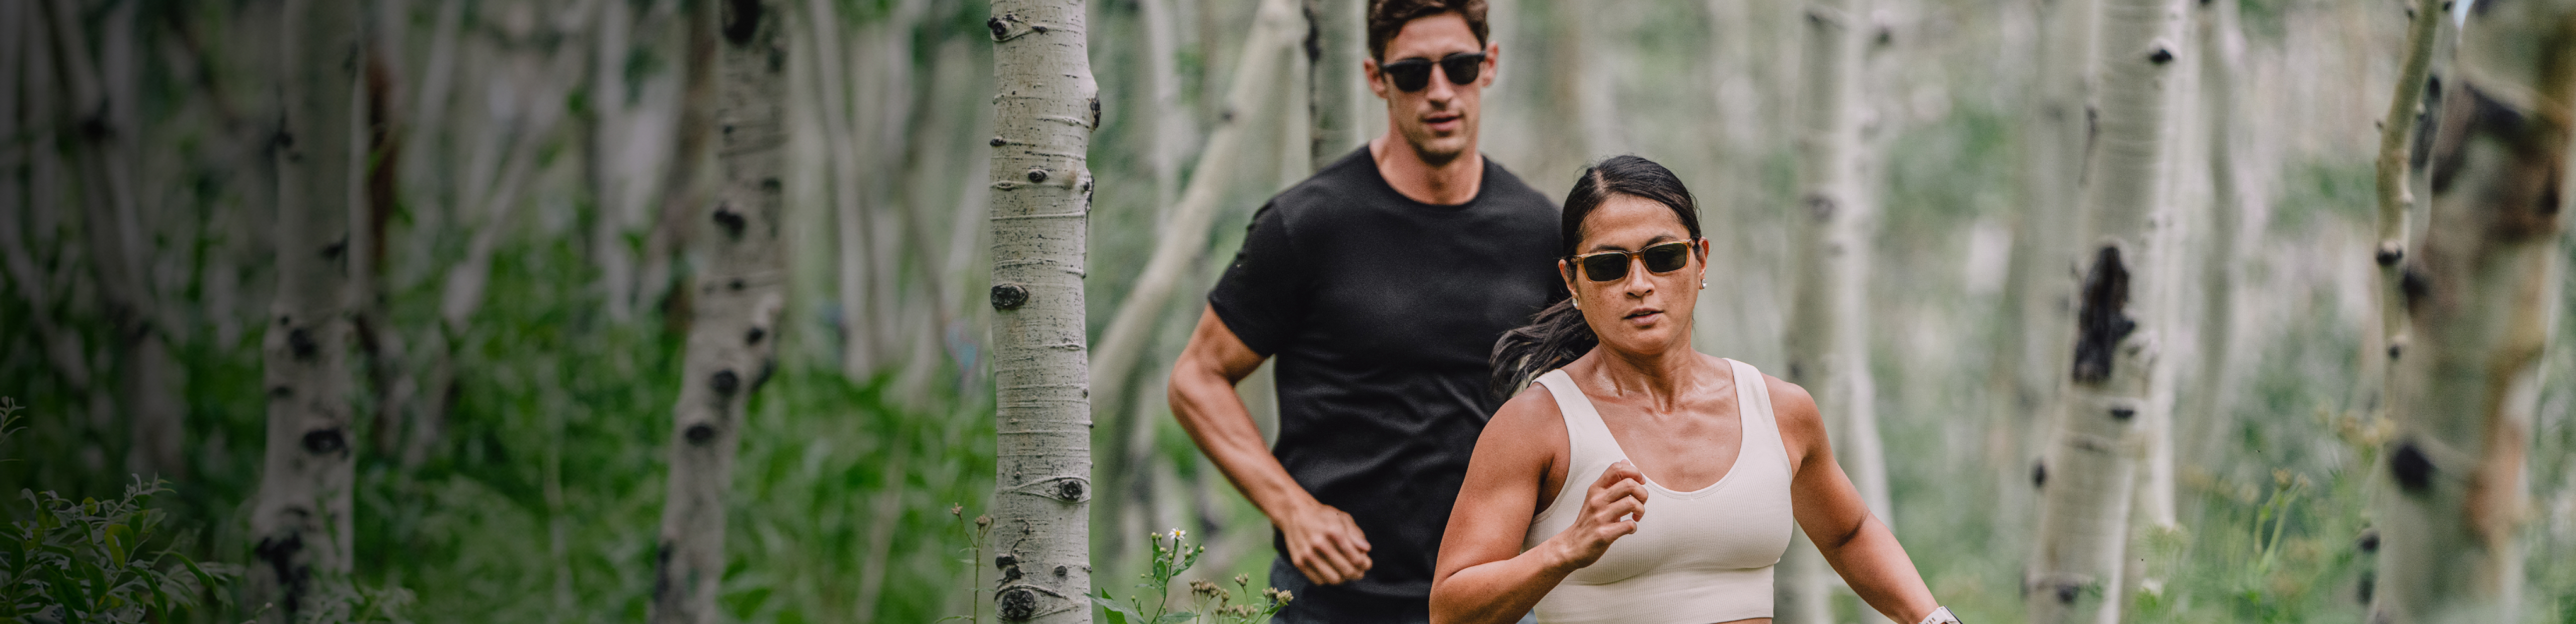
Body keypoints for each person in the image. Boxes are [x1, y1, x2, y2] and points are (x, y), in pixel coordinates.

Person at [1426, 156, 1962, 624]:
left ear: (1700, 258)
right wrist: (1565, 548)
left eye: (1662, 257)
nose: (1639, 284)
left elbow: (1849, 533)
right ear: (1572, 281)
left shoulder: (1778, 409)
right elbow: (1449, 610)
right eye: (1609, 267)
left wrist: (1932, 617)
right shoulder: (1537, 425)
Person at [1163, 0, 1560, 621]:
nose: (1438, 92)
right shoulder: (1308, 224)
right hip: (1334, 600)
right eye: (1411, 73)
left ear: (1489, 66)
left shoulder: (1538, 230)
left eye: (1458, 67)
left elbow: (1596, 389)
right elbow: (1196, 378)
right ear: (1377, 78)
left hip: (1488, 595)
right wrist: (1292, 508)